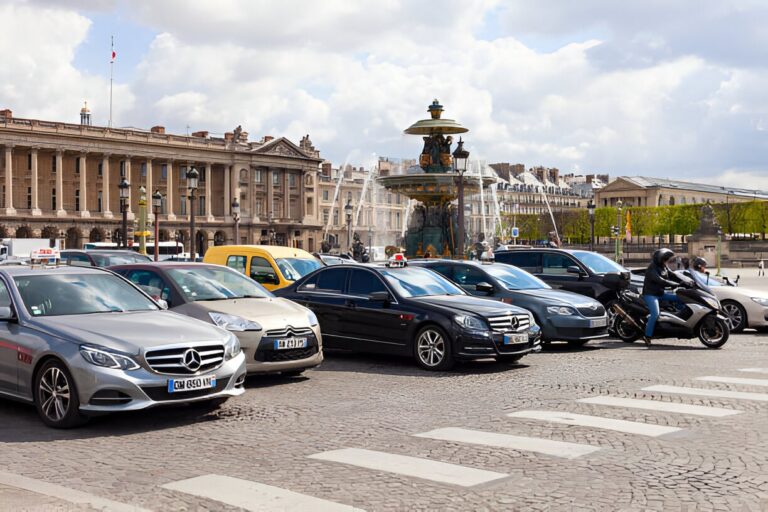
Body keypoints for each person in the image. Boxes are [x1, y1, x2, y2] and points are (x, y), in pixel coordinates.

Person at [642, 248, 686, 347]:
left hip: (661, 294)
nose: (666, 261)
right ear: (659, 259)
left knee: (681, 298)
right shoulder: (652, 268)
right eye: (665, 259)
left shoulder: (664, 266)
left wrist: (686, 281)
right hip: (651, 295)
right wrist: (674, 284)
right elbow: (660, 280)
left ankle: (679, 318)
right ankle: (647, 336)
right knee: (655, 314)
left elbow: (673, 275)